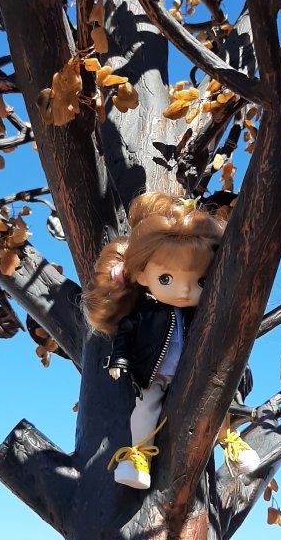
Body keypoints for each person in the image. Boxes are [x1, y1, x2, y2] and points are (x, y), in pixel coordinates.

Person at [84, 192, 261, 489]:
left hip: (195, 372)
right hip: (156, 374)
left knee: (219, 403)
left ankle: (230, 440)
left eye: (201, 282)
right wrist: (120, 359)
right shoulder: (145, 313)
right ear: (142, 276)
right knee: (146, 409)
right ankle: (139, 456)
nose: (184, 291)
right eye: (166, 279)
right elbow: (126, 331)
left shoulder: (202, 315)